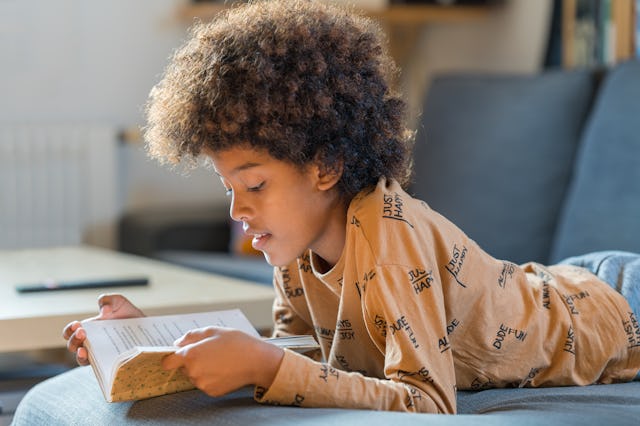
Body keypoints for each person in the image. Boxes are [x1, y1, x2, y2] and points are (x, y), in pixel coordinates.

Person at [63, 0, 640, 414]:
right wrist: (158, 346)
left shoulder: (388, 242)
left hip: (610, 309)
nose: (239, 209)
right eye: (228, 187)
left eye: (256, 185)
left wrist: (264, 368)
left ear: (326, 167)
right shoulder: (292, 246)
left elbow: (427, 401)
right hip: (559, 280)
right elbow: (307, 351)